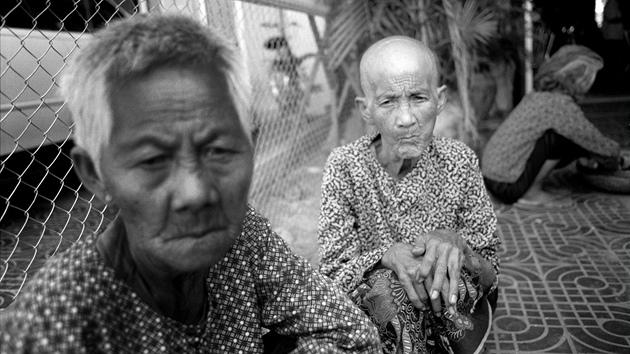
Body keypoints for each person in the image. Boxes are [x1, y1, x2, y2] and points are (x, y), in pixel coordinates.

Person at [0, 14, 382, 354]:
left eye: (218, 150)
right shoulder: (56, 321)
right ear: (95, 175)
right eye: (152, 160)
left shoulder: (242, 237)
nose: (197, 193)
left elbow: (350, 335)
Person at [318, 36, 500, 354]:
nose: (406, 119)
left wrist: (457, 245)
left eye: (418, 98)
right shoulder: (344, 166)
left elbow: (491, 270)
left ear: (439, 99)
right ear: (366, 109)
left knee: (450, 260)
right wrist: (383, 256)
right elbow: (332, 273)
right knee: (387, 288)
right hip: (383, 320)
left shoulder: (460, 159)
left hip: (452, 312)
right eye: (388, 102)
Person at [482, 44, 622, 208]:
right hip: (508, 187)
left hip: (493, 179)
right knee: (562, 139)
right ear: (577, 78)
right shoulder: (558, 104)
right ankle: (531, 194)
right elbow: (593, 139)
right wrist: (615, 160)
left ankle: (533, 185)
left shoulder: (540, 95)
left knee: (574, 138)